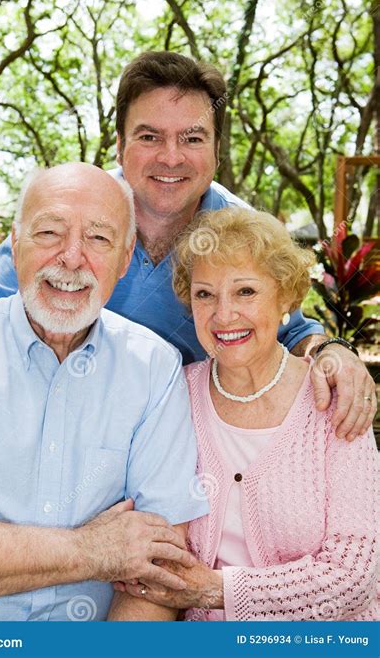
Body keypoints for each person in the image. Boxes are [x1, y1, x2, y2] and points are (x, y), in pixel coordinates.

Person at [0, 52, 375, 438]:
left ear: (216, 151)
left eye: (192, 138)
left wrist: (336, 352)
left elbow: (293, 334)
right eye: (149, 137)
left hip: (178, 449)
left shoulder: (243, 231)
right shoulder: (69, 212)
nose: (170, 157)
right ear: (119, 145)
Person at [0, 163, 210, 622]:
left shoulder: (154, 367)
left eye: (99, 239)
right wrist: (91, 550)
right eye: (49, 232)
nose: (71, 258)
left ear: (125, 259)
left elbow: (157, 565)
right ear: (15, 241)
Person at [116, 208, 378, 621]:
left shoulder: (333, 399)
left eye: (245, 292)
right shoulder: (171, 395)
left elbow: (353, 577)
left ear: (286, 297)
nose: (223, 315)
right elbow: (150, 543)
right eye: (205, 294)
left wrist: (216, 590)